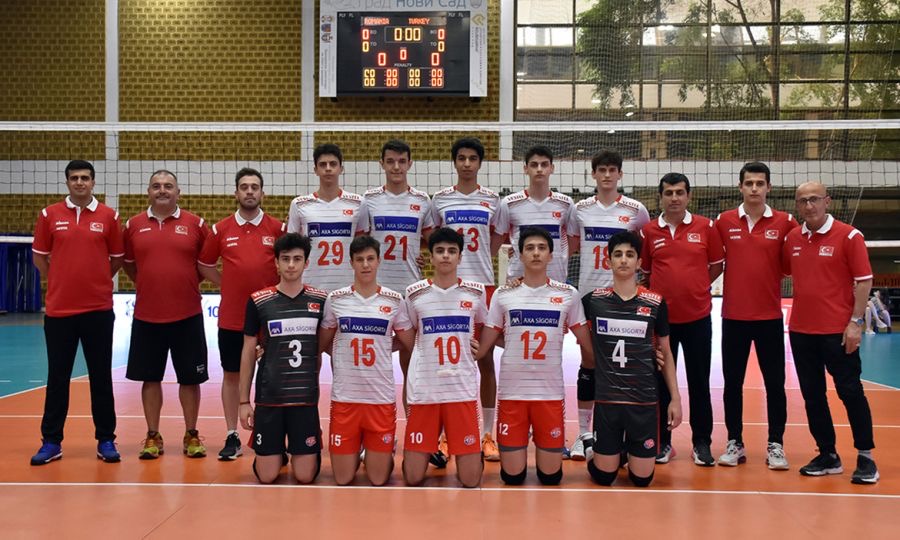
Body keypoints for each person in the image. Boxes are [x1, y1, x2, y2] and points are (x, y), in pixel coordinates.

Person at [477, 227, 592, 486]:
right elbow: (485, 343)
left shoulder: (567, 295)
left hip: (549, 397)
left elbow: (587, 342)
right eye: (530, 248)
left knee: (550, 477)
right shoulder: (504, 294)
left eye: (542, 248)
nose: (536, 253)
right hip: (512, 396)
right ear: (520, 255)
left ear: (551, 255)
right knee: (512, 477)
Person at [783, 181, 879, 484]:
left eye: (814, 199)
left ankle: (866, 457)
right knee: (812, 396)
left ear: (828, 201)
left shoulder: (849, 236)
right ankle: (828, 454)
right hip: (801, 331)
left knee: (850, 392)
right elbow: (783, 270)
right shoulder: (793, 238)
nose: (809, 205)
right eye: (802, 201)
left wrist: (855, 323)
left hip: (838, 331)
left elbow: (864, 281)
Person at [30, 160, 124, 465]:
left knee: (101, 376)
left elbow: (116, 259)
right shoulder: (49, 215)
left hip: (98, 310)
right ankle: (51, 442)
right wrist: (60, 280)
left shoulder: (109, 216)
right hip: (60, 312)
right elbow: (40, 259)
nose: (80, 182)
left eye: (85, 178)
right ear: (67, 182)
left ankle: (106, 439)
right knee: (57, 377)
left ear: (93, 182)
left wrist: (96, 281)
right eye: (74, 178)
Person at [567, 149, 650, 461]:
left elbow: (644, 251)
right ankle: (584, 434)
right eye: (601, 170)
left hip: (625, 298)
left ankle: (621, 435)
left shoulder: (636, 211)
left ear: (620, 174)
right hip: (590, 297)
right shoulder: (580, 210)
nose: (606, 175)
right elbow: (569, 247)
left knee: (623, 366)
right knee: (589, 362)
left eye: (612, 170)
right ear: (593, 174)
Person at [582, 231, 682, 487]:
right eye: (617, 255)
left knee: (642, 480)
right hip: (608, 400)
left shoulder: (655, 303)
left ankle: (623, 452)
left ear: (639, 262)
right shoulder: (593, 301)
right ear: (608, 261)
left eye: (629, 255)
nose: (623, 260)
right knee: (605, 477)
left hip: (643, 402)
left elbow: (666, 352)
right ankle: (595, 451)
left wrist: (675, 399)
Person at [714, 162, 797, 469]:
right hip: (734, 316)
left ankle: (776, 444)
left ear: (768, 188)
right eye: (749, 183)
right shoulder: (723, 222)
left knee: (775, 384)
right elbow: (712, 262)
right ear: (740, 187)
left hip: (769, 318)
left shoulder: (786, 222)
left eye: (760, 183)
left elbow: (793, 263)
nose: (754, 188)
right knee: (732, 384)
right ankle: (734, 442)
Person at [198, 167, 286, 460]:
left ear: (263, 193)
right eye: (244, 187)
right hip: (233, 317)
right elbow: (204, 264)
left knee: (274, 375)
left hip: (269, 317)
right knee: (232, 375)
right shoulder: (220, 229)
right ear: (236, 193)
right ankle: (231, 434)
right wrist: (227, 283)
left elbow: (290, 264)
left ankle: (272, 433)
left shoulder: (278, 229)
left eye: (254, 187)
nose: (249, 191)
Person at [123, 170, 210, 460]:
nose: (162, 190)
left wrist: (184, 282)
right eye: (156, 186)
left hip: (187, 314)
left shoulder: (196, 224)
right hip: (147, 316)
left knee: (190, 379)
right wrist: (150, 283)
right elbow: (130, 265)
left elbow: (206, 263)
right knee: (150, 379)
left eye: (168, 186)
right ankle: (152, 435)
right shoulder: (133, 225)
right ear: (148, 191)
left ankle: (191, 433)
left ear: (178, 192)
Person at [639, 173, 724, 466]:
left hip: (697, 318)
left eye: (679, 192)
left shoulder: (706, 227)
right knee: (661, 383)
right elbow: (647, 273)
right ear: (660, 197)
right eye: (668, 193)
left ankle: (702, 443)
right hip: (661, 323)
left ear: (689, 196)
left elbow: (716, 266)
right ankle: (663, 442)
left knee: (699, 382)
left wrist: (696, 287)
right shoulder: (649, 231)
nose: (674, 198)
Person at [318, 235, 412, 485]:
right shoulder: (336, 299)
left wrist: (384, 345)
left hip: (379, 399)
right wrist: (342, 352)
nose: (366, 264)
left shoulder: (394, 300)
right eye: (359, 259)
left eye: (370, 259)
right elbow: (322, 342)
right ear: (351, 263)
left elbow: (410, 342)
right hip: (345, 399)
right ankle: (363, 450)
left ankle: (378, 450)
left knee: (378, 479)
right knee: (343, 478)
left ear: (379, 261)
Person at [430, 137, 502, 461]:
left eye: (473, 158)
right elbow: (435, 238)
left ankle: (487, 433)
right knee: (446, 363)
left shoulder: (493, 200)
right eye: (462, 158)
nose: (467, 163)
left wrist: (479, 261)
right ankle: (444, 437)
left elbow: (496, 238)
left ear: (480, 163)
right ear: (455, 162)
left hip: (482, 286)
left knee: (485, 360)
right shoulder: (440, 200)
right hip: (448, 289)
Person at [399, 227, 487, 488]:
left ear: (460, 257)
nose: (446, 256)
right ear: (431, 256)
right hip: (426, 391)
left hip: (461, 391)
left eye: (451, 251)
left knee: (470, 480)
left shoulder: (476, 292)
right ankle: (430, 449)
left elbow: (486, 326)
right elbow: (410, 334)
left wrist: (479, 348)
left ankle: (462, 450)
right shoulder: (414, 293)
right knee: (412, 478)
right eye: (439, 251)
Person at [239, 233, 327, 484]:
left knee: (305, 477)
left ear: (306, 263)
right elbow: (248, 351)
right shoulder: (259, 301)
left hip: (304, 400)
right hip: (270, 399)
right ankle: (276, 455)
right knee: (266, 477)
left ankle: (302, 452)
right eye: (285, 259)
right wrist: (244, 401)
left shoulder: (320, 301)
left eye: (297, 259)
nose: (291, 265)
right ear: (276, 262)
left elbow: (327, 345)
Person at [494, 145, 575, 285]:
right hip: (518, 281)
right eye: (534, 165)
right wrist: (515, 250)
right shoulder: (509, 203)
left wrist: (559, 258)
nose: (539, 169)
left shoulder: (566, 203)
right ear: (526, 169)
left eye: (544, 164)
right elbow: (499, 239)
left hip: (556, 280)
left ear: (552, 168)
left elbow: (572, 240)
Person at [287, 144, 362, 292]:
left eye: (333, 164)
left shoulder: (358, 203)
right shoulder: (299, 204)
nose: (328, 168)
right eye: (323, 164)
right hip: (310, 287)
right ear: (315, 170)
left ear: (341, 168)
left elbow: (363, 246)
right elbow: (291, 249)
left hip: (347, 288)